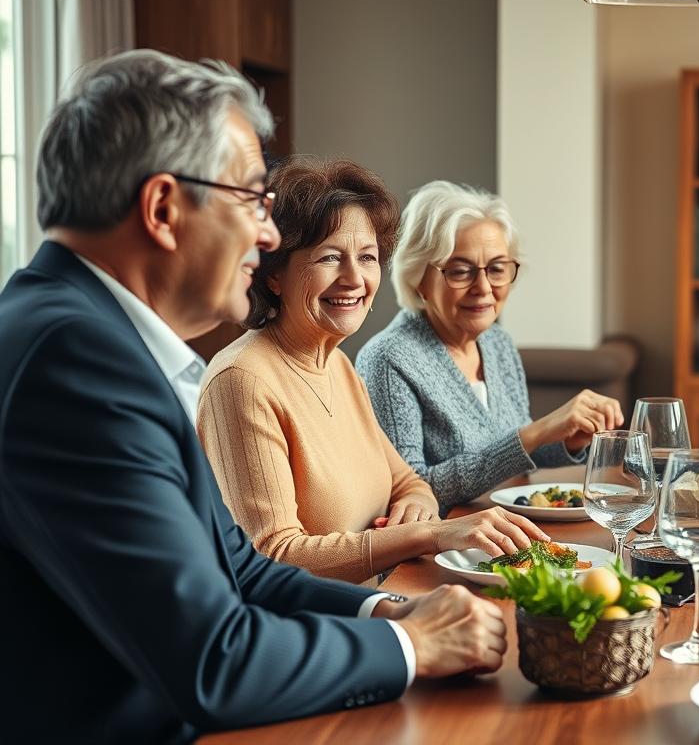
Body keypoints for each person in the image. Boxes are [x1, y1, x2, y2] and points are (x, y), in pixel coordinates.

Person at [0, 50, 513, 743]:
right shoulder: (75, 359)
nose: (269, 235)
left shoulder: (91, 336)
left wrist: (394, 613)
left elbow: (239, 567)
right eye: (252, 200)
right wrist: (414, 649)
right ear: (162, 208)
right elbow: (213, 661)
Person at [197, 158, 546, 585]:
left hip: (380, 599)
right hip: (316, 632)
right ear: (273, 275)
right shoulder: (241, 380)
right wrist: (427, 535)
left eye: (367, 257)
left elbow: (410, 483)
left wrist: (416, 509)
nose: (354, 278)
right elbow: (273, 556)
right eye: (329, 257)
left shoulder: (336, 363)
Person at [356, 181, 623, 509]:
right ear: (418, 278)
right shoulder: (388, 358)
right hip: (440, 547)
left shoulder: (497, 343)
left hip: (509, 528)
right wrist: (534, 433)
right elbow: (409, 492)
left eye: (496, 268)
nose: (483, 287)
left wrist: (568, 439)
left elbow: (517, 458)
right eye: (460, 271)